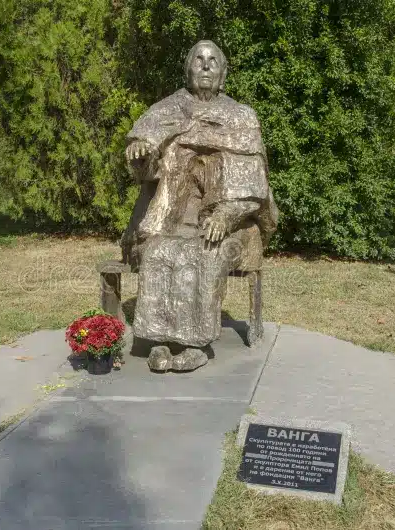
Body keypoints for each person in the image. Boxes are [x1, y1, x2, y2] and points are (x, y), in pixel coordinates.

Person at [122, 40, 278, 371]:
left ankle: (196, 345)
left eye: (212, 61)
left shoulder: (240, 118)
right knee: (157, 252)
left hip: (231, 222)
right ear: (188, 70)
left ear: (223, 74)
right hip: (173, 218)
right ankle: (160, 341)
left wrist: (226, 214)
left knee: (206, 254)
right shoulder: (167, 110)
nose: (205, 66)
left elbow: (254, 187)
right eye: (198, 60)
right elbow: (147, 175)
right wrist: (142, 154)